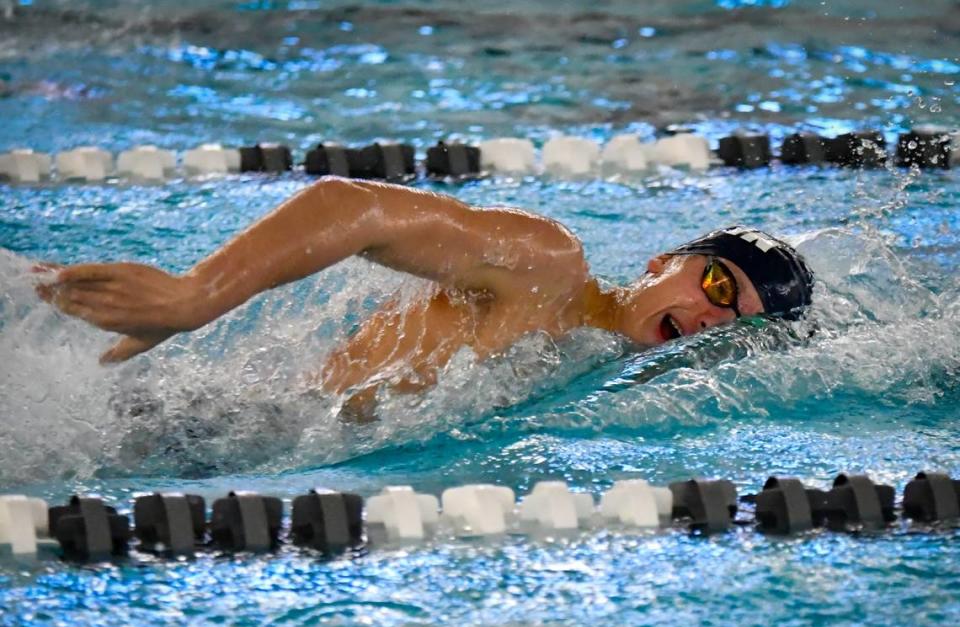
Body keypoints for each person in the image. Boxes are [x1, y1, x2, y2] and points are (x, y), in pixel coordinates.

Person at [36, 178, 814, 418]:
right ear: (662, 260)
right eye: (716, 283)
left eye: (734, 322)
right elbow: (352, 208)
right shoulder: (550, 269)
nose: (713, 317)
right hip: (224, 425)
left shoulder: (596, 372)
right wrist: (193, 297)